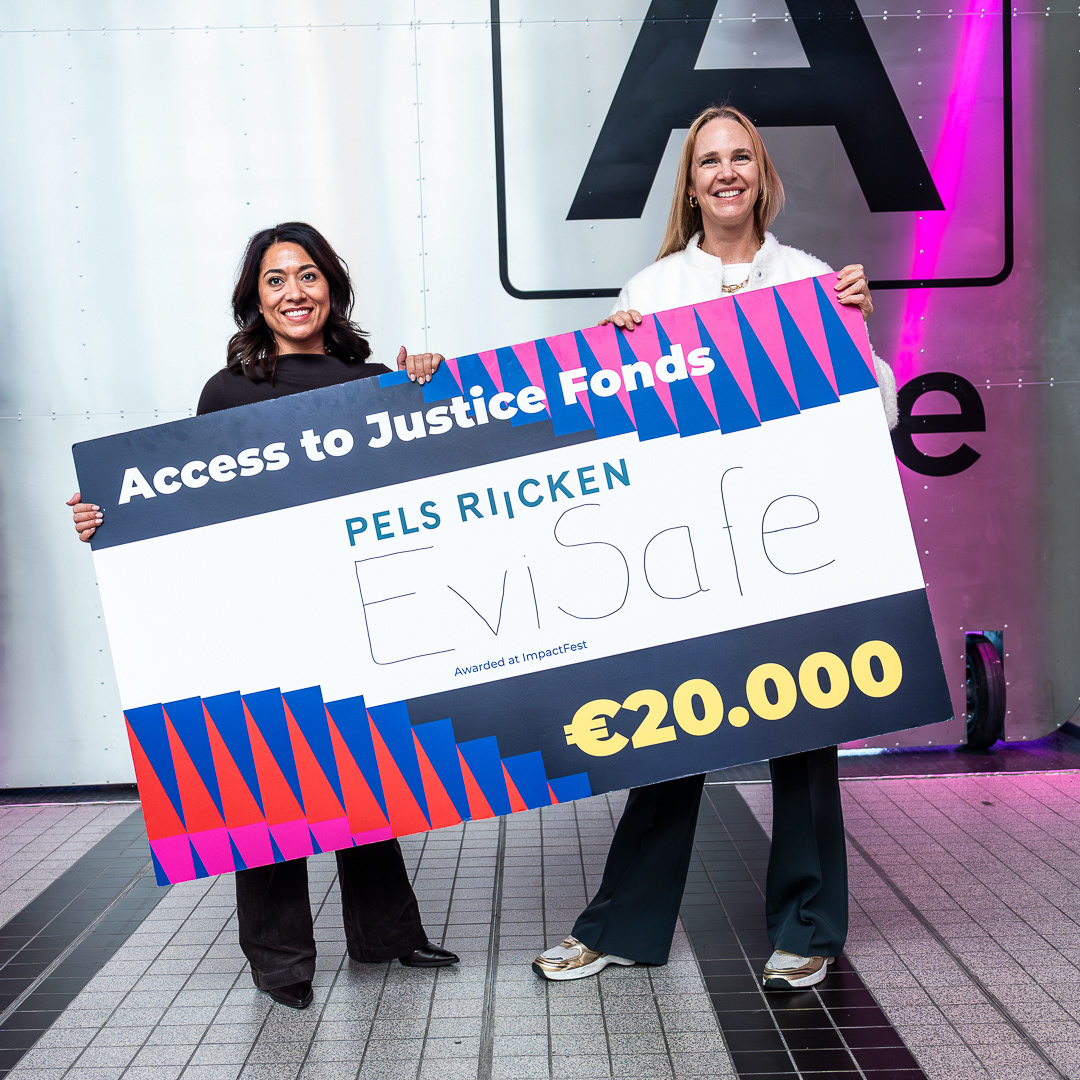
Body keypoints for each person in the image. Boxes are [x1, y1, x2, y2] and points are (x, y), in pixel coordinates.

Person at [531, 106, 898, 991]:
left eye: (740, 158)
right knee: (671, 736)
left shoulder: (812, 279)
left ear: (761, 175)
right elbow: (609, 432)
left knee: (807, 740)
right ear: (690, 187)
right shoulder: (652, 289)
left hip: (791, 548)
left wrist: (854, 330)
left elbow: (879, 413)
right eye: (709, 162)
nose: (726, 172)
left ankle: (807, 929)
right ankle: (623, 927)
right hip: (692, 555)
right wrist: (609, 366)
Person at [69, 222, 457, 1008]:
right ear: (255, 298)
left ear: (332, 286)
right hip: (259, 614)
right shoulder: (228, 391)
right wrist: (106, 516)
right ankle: (281, 962)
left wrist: (431, 383)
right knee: (269, 785)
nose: (294, 293)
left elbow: (428, 471)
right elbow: (183, 498)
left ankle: (386, 936)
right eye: (275, 280)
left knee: (365, 773)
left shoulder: (375, 381)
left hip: (349, 609)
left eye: (307, 275)